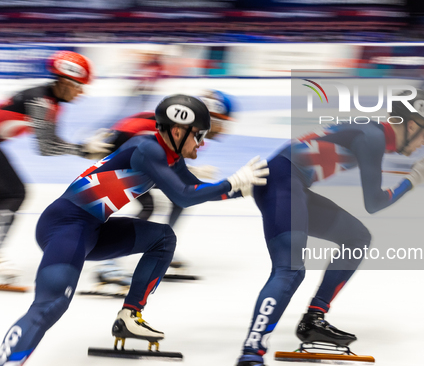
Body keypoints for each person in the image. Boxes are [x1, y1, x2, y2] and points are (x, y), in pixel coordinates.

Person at [0, 94, 268, 365]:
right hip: (65, 227)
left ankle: (130, 316)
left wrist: (245, 188)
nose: (202, 142)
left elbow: (196, 189)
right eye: (198, 135)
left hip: (92, 229)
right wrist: (232, 182)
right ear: (177, 131)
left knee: (162, 239)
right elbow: (184, 196)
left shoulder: (170, 158)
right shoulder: (146, 148)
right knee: (50, 306)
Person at [236, 89, 424, 366]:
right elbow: (374, 203)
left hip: (287, 183)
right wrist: (412, 180)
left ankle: (314, 318)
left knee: (356, 237)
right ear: (412, 124)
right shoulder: (373, 138)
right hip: (283, 183)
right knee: (290, 271)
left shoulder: (372, 134)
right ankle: (252, 350)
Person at [90, 89, 236, 285]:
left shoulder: (191, 130)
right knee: (149, 206)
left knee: (178, 200)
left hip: (131, 154)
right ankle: (108, 264)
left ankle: (161, 245)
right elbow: (153, 153)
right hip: (122, 156)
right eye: (223, 122)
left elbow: (167, 159)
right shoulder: (182, 129)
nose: (224, 130)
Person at [0, 50, 109, 283]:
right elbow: (46, 147)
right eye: (79, 86)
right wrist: (82, 150)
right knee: (13, 193)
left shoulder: (49, 102)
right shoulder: (41, 101)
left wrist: (83, 149)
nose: (81, 93)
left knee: (10, 194)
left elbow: (50, 142)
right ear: (64, 82)